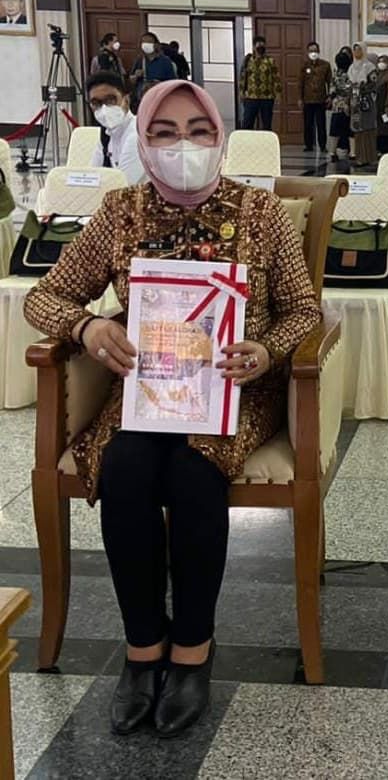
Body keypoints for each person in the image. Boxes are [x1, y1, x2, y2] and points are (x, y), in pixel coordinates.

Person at [23, 80, 321, 739]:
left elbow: (305, 310)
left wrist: (266, 351)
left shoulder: (262, 212)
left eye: (197, 131)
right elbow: (44, 297)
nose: (182, 146)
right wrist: (88, 328)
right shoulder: (120, 210)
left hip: (235, 390)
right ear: (143, 140)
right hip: (145, 390)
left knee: (192, 472)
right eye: (163, 133)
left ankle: (191, 649)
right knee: (126, 470)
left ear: (219, 138)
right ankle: (142, 647)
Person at [86, 72, 145, 185]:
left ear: (126, 100)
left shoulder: (137, 134)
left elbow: (123, 183)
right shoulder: (106, 134)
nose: (104, 109)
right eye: (96, 103)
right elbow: (91, 175)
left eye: (110, 100)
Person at [239, 35, 282, 130]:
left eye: (263, 45)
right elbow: (242, 77)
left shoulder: (270, 61)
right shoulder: (248, 60)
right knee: (247, 123)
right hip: (251, 97)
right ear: (254, 47)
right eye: (259, 45)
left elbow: (276, 78)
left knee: (267, 124)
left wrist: (278, 94)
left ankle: (267, 139)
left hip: (267, 98)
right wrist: (241, 92)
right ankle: (247, 140)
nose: (261, 47)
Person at [348, 43, 378, 167]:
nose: (356, 53)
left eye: (359, 50)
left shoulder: (370, 67)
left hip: (366, 103)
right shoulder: (351, 67)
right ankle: (359, 157)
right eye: (354, 50)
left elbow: (373, 84)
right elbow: (349, 84)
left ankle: (369, 157)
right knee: (357, 130)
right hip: (355, 103)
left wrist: (361, 88)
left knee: (367, 130)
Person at [299, 41, 332, 153]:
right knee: (308, 124)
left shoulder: (325, 65)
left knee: (321, 124)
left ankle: (322, 145)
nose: (313, 53)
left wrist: (329, 97)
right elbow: (300, 83)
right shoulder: (304, 65)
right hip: (307, 100)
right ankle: (308, 145)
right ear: (307, 52)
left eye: (315, 50)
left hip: (320, 99)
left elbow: (330, 82)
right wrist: (300, 98)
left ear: (319, 51)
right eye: (311, 51)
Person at [129, 32, 177, 109]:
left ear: (156, 45)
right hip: (142, 99)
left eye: (149, 42)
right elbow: (131, 80)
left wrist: (158, 83)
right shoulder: (139, 60)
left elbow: (172, 82)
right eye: (143, 42)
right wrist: (135, 76)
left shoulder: (165, 61)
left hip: (160, 97)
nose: (145, 44)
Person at [327, 49, 353, 162]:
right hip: (349, 105)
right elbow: (351, 90)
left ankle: (332, 152)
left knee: (334, 129)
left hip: (337, 105)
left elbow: (332, 90)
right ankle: (353, 153)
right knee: (350, 129)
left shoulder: (335, 75)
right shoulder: (351, 74)